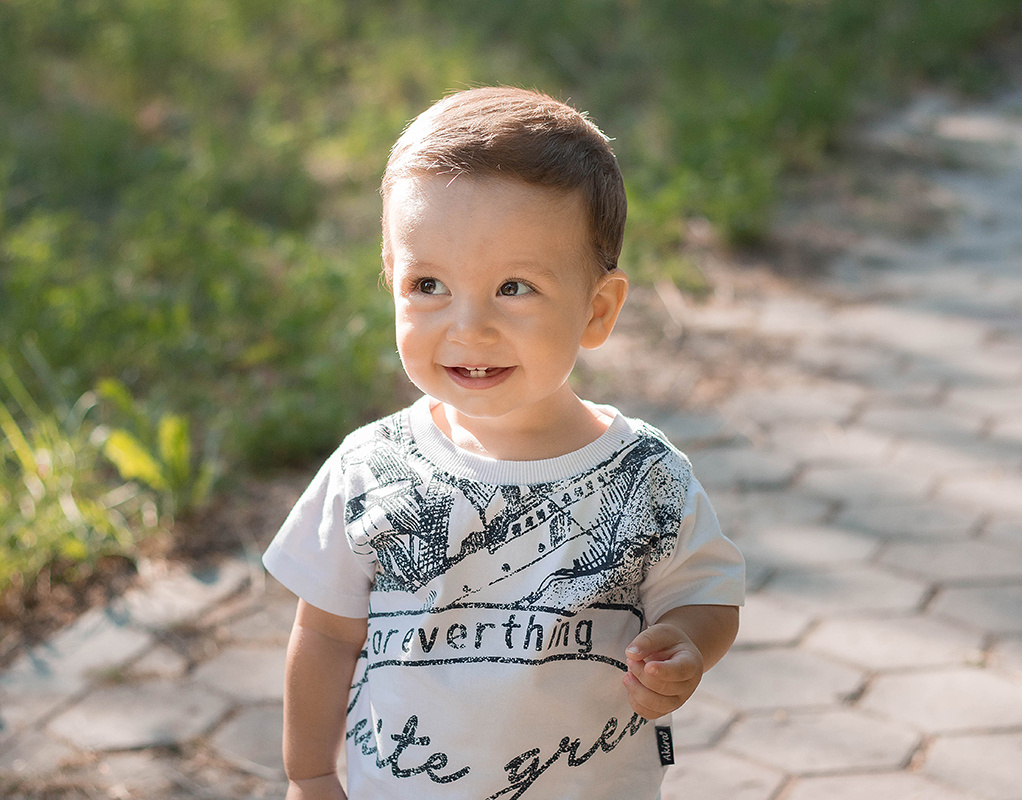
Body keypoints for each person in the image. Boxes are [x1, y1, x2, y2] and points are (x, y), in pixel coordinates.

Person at [263, 86, 745, 800]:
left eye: (514, 287)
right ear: (390, 283)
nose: (469, 328)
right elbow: (329, 637)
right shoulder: (373, 470)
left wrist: (688, 644)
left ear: (598, 309)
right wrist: (307, 774)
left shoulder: (645, 477)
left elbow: (708, 596)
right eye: (429, 284)